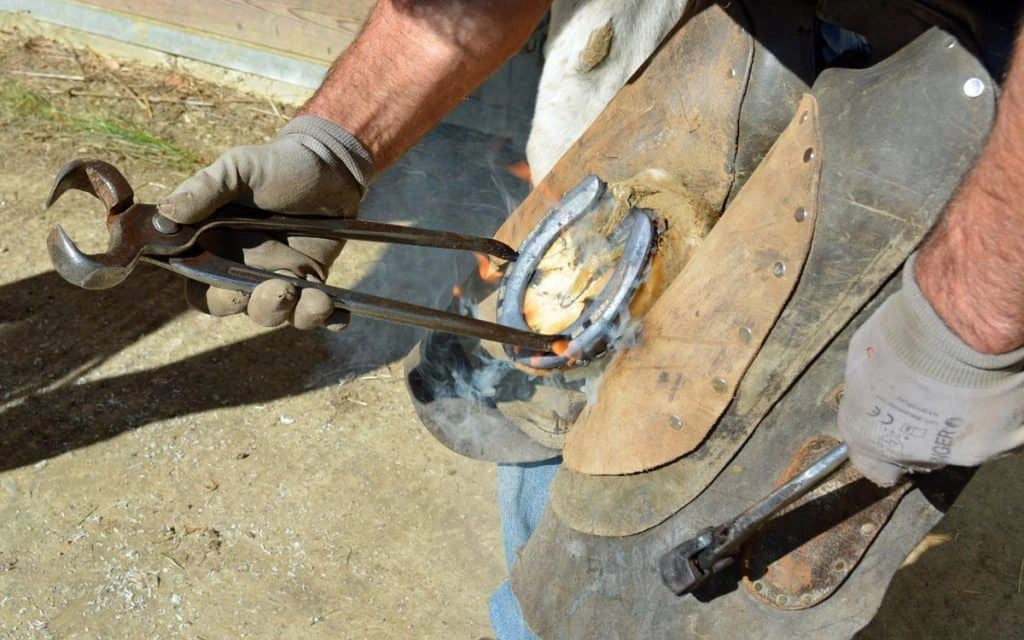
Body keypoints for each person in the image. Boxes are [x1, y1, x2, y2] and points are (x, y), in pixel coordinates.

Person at [158, 1, 1024, 637]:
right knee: (559, 456)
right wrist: (336, 141)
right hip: (714, 43)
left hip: (980, 111)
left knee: (687, 565)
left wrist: (970, 318)